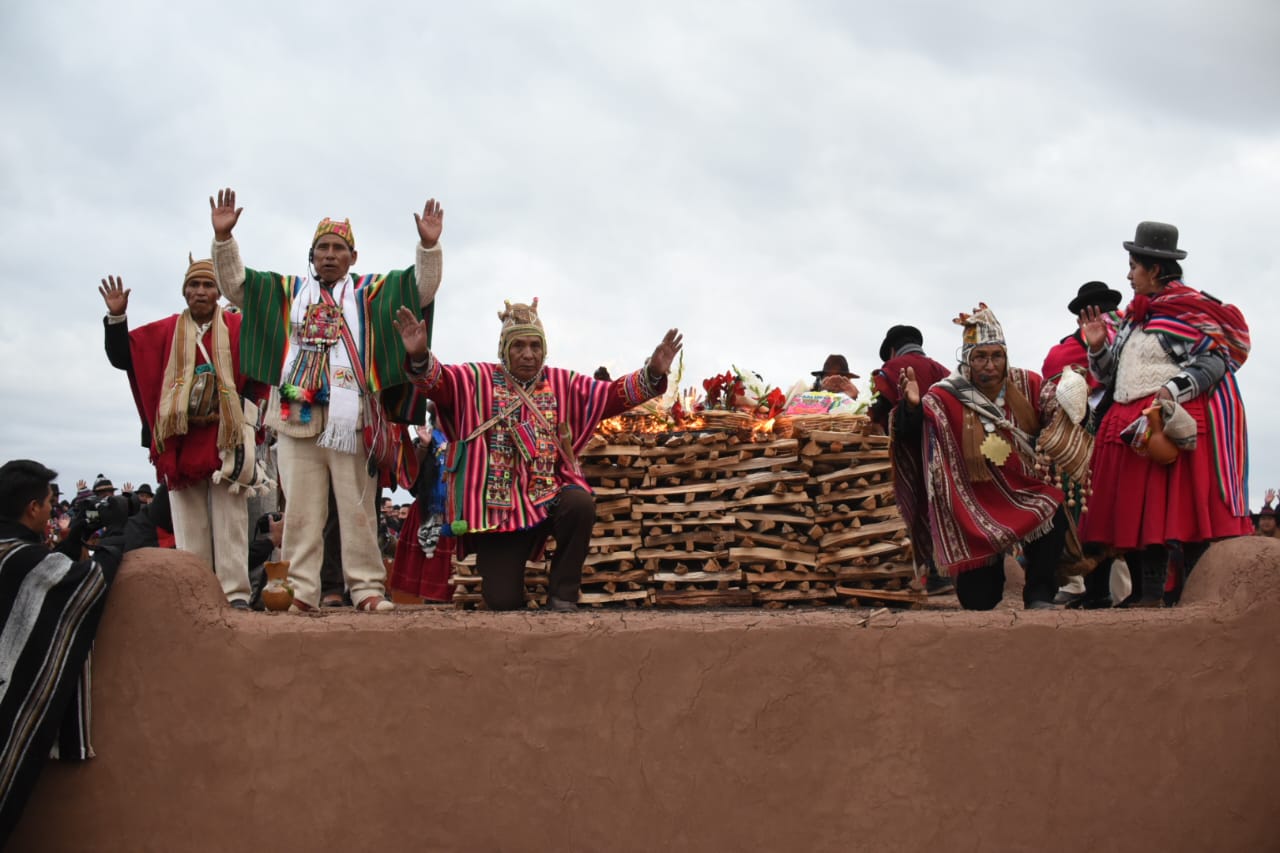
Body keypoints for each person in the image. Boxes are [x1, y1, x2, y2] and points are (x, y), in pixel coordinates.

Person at [209, 188, 444, 612]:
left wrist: (428, 247)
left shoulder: (370, 293)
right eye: (323, 248)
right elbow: (238, 288)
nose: (330, 255)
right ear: (312, 255)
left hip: (350, 418)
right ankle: (301, 592)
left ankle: (367, 588)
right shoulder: (288, 292)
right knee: (300, 512)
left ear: (353, 257)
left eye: (338, 248)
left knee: (357, 510)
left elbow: (420, 291)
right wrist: (224, 240)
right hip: (295, 415)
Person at [394, 298, 682, 611]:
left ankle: (563, 595)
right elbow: (438, 384)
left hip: (548, 497)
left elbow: (610, 395)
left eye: (535, 346)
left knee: (579, 503)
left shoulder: (563, 383)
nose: (528, 354)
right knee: (503, 601)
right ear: (504, 349)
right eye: (518, 346)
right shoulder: (474, 379)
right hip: (500, 513)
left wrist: (652, 373)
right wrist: (419, 355)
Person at [1078, 222, 1252, 604]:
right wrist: (1098, 347)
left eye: (1133, 267)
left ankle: (1192, 595)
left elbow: (1215, 362)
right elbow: (1110, 375)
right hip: (1128, 424)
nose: (1128, 275)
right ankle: (1146, 595)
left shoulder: (1186, 312)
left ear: (1154, 269)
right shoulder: (1133, 319)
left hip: (1163, 422)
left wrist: (1172, 389)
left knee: (1173, 514)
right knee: (1135, 515)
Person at [100, 258, 255, 610]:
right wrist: (117, 318)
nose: (200, 292)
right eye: (193, 285)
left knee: (231, 519)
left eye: (208, 285)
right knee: (188, 523)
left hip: (224, 436)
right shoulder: (166, 330)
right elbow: (125, 357)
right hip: (180, 440)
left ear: (219, 292)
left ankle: (235, 594)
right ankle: (196, 594)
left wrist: (247, 417)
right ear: (184, 291)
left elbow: (262, 368)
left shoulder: (238, 327)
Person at [894, 305, 1068, 610]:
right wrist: (910, 407)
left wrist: (1073, 394)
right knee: (978, 601)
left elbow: (1058, 410)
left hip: (1022, 491)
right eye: (980, 357)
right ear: (967, 358)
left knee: (1052, 508)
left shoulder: (1026, 384)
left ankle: (1039, 594)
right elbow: (912, 433)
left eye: (996, 356)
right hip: (973, 503)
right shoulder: (945, 395)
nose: (989, 365)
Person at [0, 460, 126, 846]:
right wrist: (116, 538)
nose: (52, 510)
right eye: (49, 503)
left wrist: (73, 542)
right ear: (33, 508)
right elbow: (86, 582)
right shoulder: (22, 559)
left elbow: (52, 576)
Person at [1040, 281, 1124, 607]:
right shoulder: (1062, 353)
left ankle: (1110, 590)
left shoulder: (1127, 343)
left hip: (1119, 435)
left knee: (1112, 513)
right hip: (1081, 444)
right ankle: (1088, 587)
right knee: (1086, 515)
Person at [869, 325, 952, 593]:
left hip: (907, 454)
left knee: (912, 509)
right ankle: (944, 572)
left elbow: (879, 413)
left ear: (892, 350)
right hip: (942, 453)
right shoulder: (943, 372)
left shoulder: (891, 370)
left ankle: (917, 574)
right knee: (939, 508)